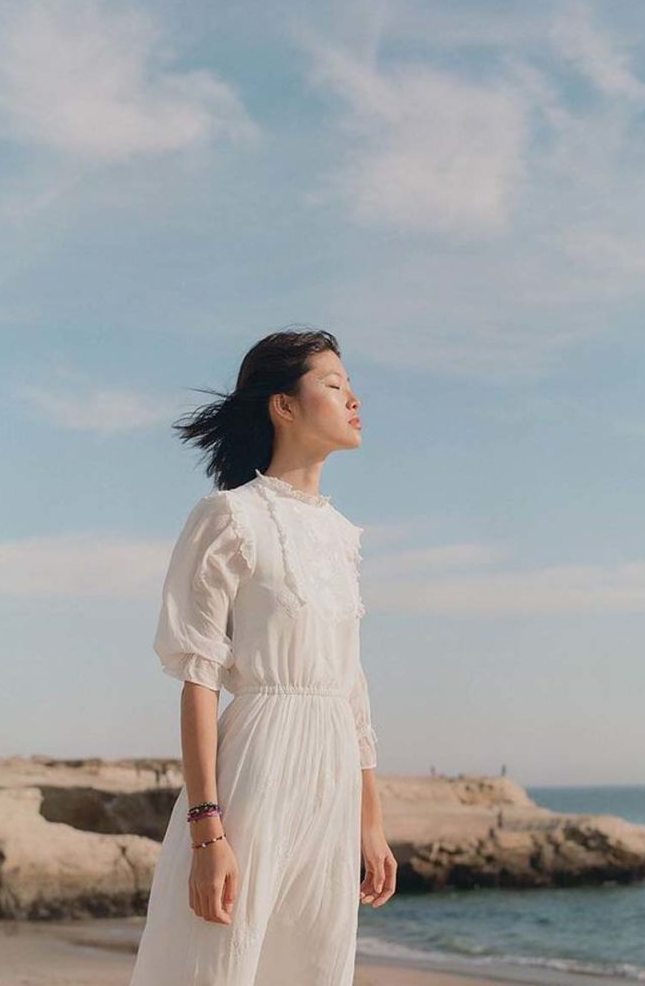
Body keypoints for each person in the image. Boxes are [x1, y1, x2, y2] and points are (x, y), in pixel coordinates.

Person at [128, 328, 395, 985]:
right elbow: (198, 679)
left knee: (310, 966)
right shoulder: (228, 518)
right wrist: (207, 834)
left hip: (330, 775)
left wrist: (370, 821)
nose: (353, 397)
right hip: (258, 765)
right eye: (333, 385)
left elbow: (349, 686)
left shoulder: (340, 535)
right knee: (219, 964)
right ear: (284, 406)